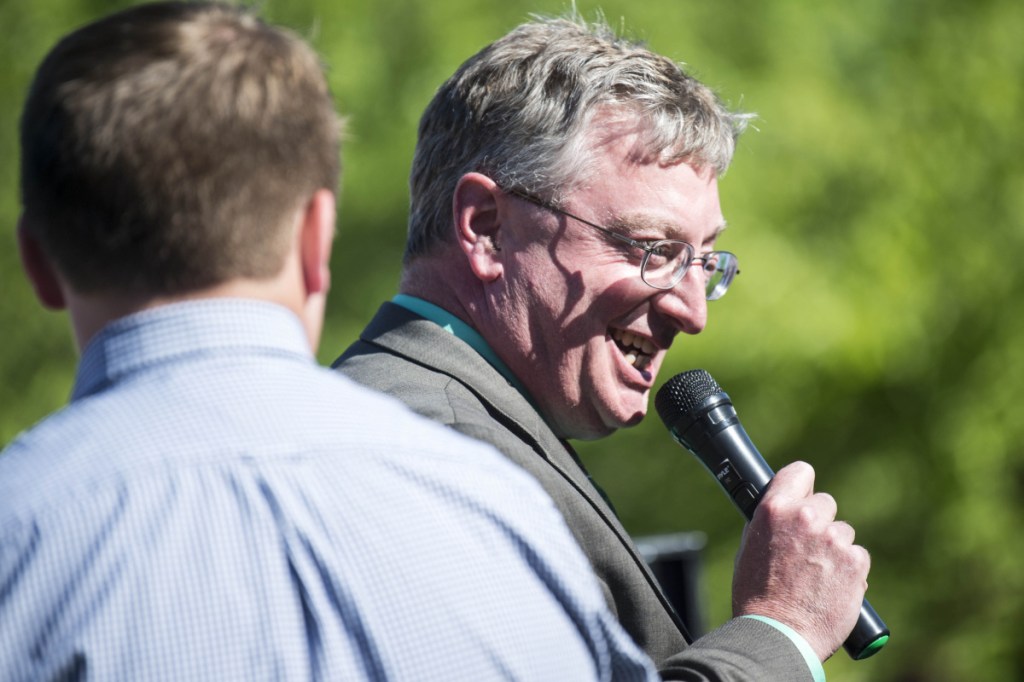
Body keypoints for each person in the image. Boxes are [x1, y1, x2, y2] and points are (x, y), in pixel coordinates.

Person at [0, 3, 660, 680]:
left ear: (40, 264)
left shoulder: (18, 536)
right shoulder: (497, 506)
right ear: (319, 239)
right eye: (651, 248)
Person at [334, 15, 871, 681]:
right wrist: (778, 633)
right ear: (486, 227)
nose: (692, 312)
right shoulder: (438, 459)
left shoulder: (425, 426)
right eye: (652, 248)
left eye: (705, 262)